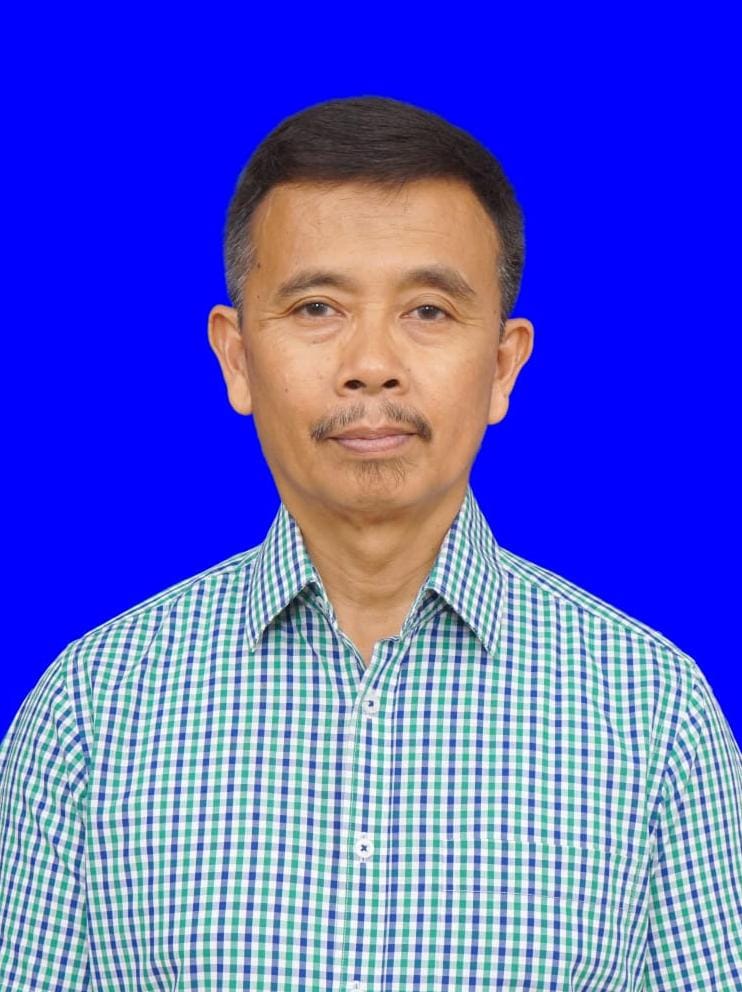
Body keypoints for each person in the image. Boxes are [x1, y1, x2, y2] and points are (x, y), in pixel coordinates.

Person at [1, 95, 740, 992]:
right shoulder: (89, 713)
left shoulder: (656, 717)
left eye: (428, 311)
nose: (372, 365)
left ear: (502, 365)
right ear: (236, 357)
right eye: (317, 307)